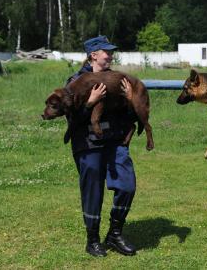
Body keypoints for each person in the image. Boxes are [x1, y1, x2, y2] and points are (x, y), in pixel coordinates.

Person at [65, 36, 137, 257]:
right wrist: (90, 101)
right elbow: (71, 119)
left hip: (114, 142)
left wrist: (130, 98)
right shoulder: (75, 80)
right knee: (93, 191)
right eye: (107, 51)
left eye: (111, 51)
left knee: (127, 186)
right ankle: (93, 240)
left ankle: (114, 234)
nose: (111, 55)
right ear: (93, 55)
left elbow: (130, 116)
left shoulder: (115, 79)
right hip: (88, 144)